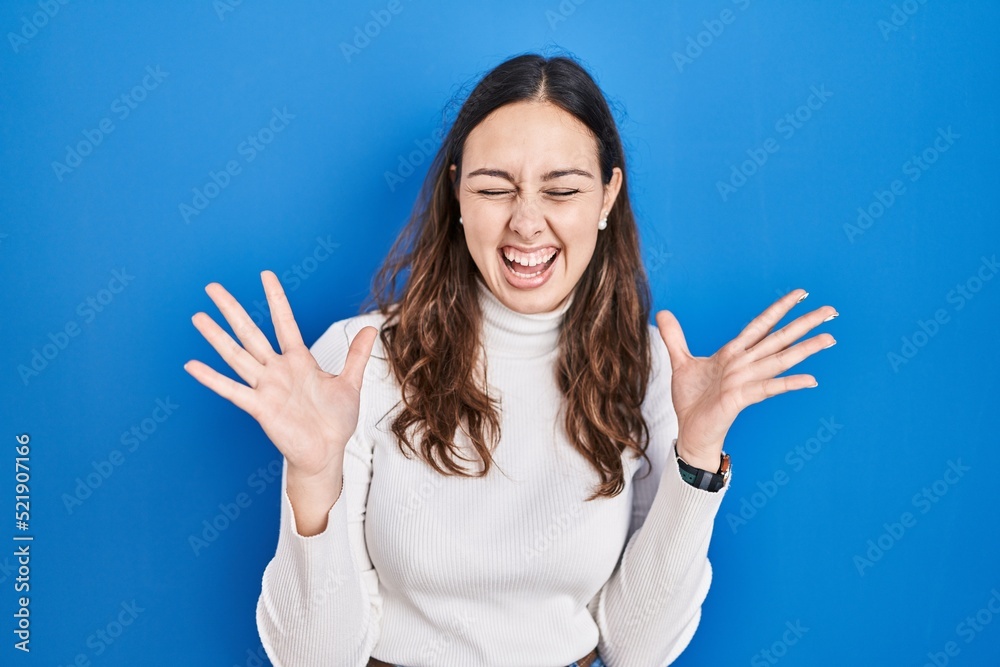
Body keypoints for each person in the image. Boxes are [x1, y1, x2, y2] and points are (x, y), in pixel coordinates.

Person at [183, 52, 837, 667]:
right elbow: (315, 658)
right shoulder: (359, 363)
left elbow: (638, 649)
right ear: (458, 195)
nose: (526, 223)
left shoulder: (650, 370)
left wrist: (696, 458)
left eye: (561, 190)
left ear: (607, 198)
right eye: (496, 188)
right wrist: (313, 477)